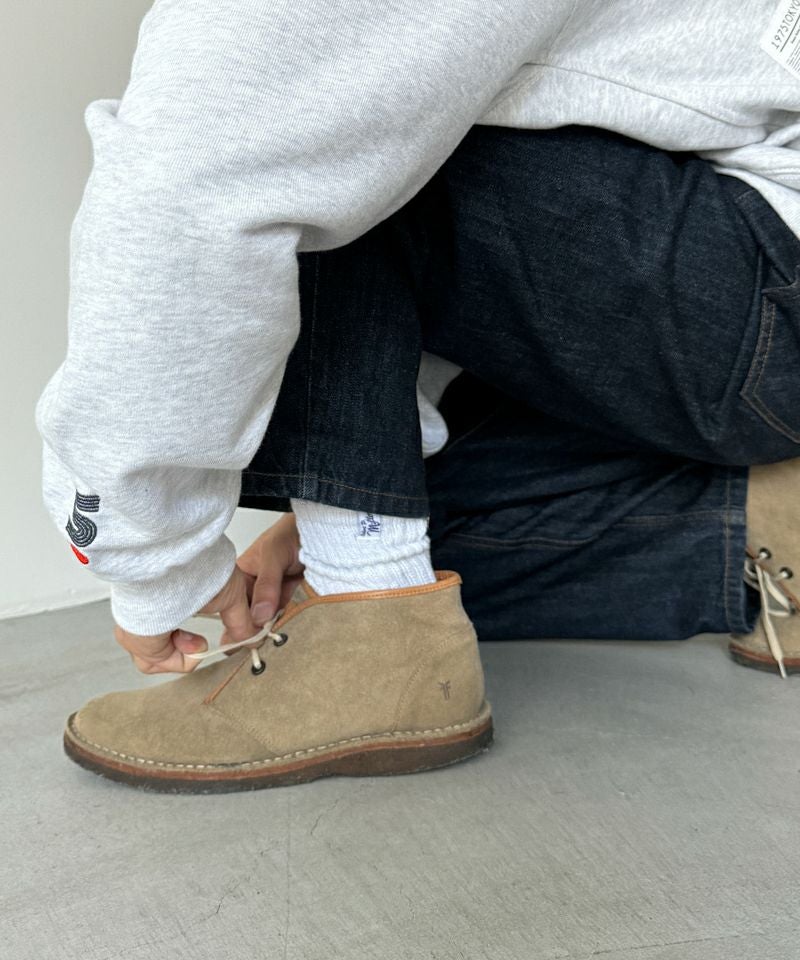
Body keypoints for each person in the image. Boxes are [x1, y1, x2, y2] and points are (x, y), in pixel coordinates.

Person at [37, 0, 800, 792]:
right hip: (746, 297)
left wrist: (149, 556)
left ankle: (372, 623)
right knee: (405, 558)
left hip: (763, 290)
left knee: (316, 119)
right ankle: (761, 522)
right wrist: (349, 491)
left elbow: (196, 179)